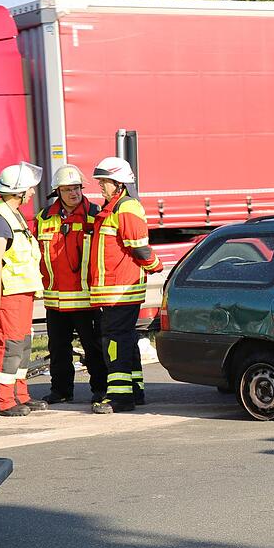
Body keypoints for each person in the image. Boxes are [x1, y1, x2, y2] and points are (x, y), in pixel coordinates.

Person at [87, 157, 162, 414]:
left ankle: (120, 398)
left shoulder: (126, 207)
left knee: (115, 344)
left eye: (104, 182)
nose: (100, 186)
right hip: (113, 291)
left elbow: (139, 247)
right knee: (125, 340)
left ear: (119, 183)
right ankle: (135, 391)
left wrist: (155, 265)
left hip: (120, 291)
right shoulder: (112, 208)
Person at [35, 164, 108, 407]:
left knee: (93, 347)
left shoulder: (95, 215)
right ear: (57, 191)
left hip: (86, 298)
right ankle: (61, 390)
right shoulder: (44, 218)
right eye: (67, 189)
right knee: (58, 349)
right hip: (55, 299)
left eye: (76, 188)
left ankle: (100, 389)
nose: (73, 193)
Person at [0, 162, 49, 416]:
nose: (32, 192)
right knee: (8, 346)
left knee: (22, 345)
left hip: (22, 292)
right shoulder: (0, 218)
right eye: (29, 188)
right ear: (18, 192)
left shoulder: (13, 213)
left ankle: (19, 395)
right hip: (8, 293)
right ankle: (1, 402)